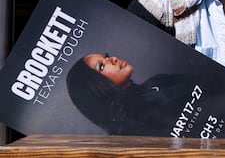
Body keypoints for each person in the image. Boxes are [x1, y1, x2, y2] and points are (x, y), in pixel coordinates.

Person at [66, 52, 198, 135]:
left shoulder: (157, 81)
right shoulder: (130, 132)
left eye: (106, 57)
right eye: (101, 66)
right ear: (96, 88)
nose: (113, 59)